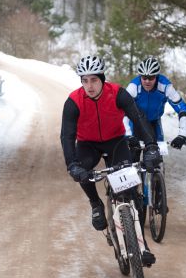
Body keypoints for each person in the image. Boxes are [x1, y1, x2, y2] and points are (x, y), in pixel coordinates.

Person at [60, 55, 161, 266]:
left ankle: (142, 247)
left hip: (115, 143)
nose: (89, 86)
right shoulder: (73, 102)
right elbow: (67, 136)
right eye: (85, 80)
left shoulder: (117, 94)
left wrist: (151, 146)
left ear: (102, 79)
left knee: (132, 193)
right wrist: (72, 164)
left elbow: (138, 117)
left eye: (94, 80)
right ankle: (95, 203)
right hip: (88, 144)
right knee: (84, 169)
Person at [124, 56, 186, 155]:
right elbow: (123, 111)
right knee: (132, 159)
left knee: (154, 158)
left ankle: (155, 169)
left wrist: (182, 135)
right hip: (135, 123)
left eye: (151, 78)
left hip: (154, 123)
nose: (147, 81)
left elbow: (182, 108)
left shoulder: (165, 85)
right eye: (144, 77)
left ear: (156, 76)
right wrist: (128, 135)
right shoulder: (133, 86)